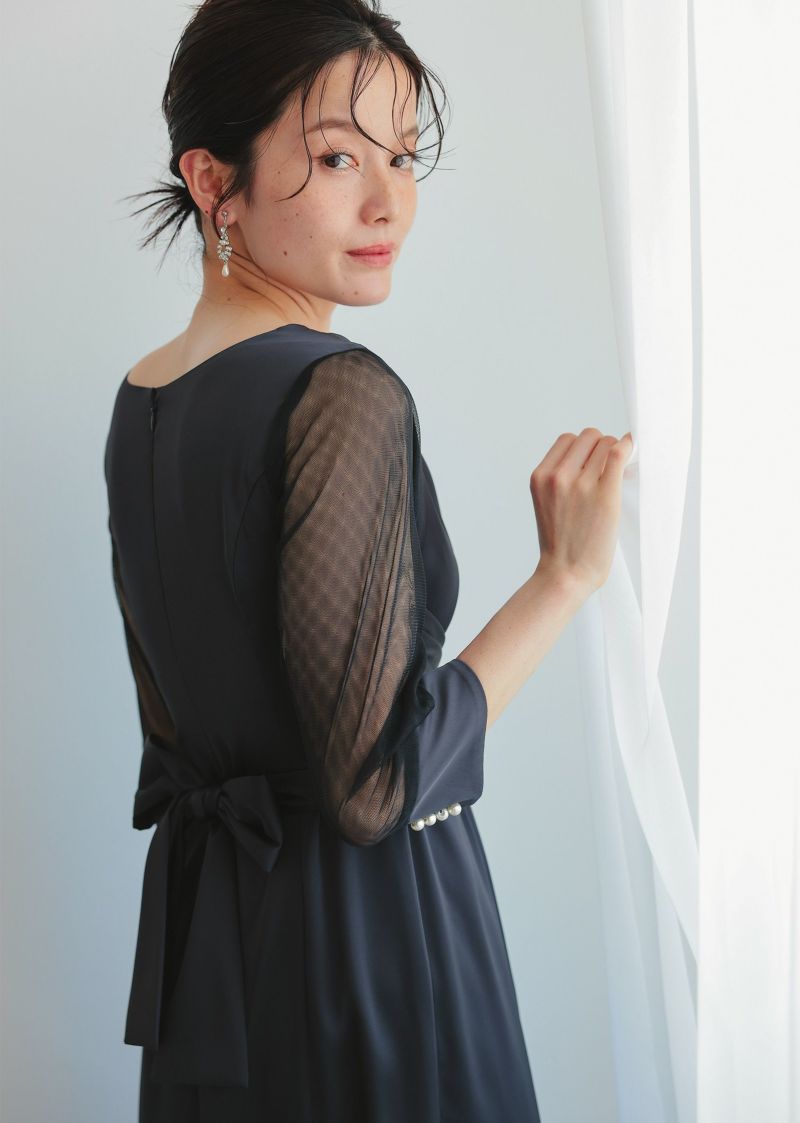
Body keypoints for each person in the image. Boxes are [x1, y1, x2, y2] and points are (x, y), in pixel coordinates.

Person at [104, 1, 633, 1119]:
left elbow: (185, 733)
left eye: (401, 155)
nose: (389, 200)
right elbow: (371, 787)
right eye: (339, 158)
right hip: (368, 952)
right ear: (213, 180)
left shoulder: (143, 398)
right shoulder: (339, 393)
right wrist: (563, 579)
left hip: (217, 962)